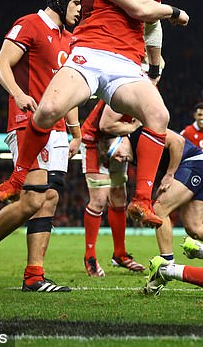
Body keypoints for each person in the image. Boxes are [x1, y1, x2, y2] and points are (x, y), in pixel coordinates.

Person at [0, 0, 190, 229]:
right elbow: (139, 8)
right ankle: (16, 179)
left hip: (126, 64)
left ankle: (142, 200)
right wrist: (175, 11)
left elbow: (150, 26)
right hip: (90, 54)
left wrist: (153, 64)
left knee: (159, 116)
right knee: (49, 109)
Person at [0, 0, 82, 292]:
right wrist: (18, 94)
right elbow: (0, 64)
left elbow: (68, 90)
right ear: (61, 1)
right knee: (32, 199)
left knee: (50, 198)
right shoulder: (30, 24)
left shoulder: (70, 39)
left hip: (59, 130)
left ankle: (34, 276)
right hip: (27, 122)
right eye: (76, 5)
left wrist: (76, 132)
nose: (79, 12)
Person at [98, 128, 203, 272]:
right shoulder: (132, 152)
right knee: (194, 227)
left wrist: (170, 174)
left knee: (159, 210)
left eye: (118, 154)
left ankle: (167, 265)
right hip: (200, 165)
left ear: (121, 141)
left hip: (192, 164)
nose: (121, 160)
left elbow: (178, 141)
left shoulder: (139, 135)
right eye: (117, 159)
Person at [79, 99, 144, 277]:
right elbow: (106, 125)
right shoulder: (123, 90)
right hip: (93, 142)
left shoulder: (146, 90)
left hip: (117, 142)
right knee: (99, 200)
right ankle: (90, 256)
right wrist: (133, 127)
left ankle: (120, 254)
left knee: (118, 196)